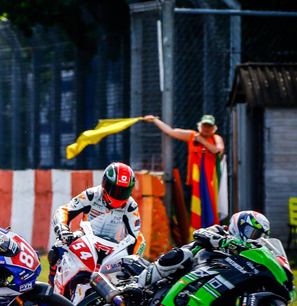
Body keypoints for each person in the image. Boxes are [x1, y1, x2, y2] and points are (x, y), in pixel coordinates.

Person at [49, 162, 144, 284]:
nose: (119, 195)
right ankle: (51, 291)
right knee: (56, 250)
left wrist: (131, 261)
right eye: (115, 189)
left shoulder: (131, 207)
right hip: (85, 238)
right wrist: (62, 228)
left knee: (129, 277)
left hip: (114, 246)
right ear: (105, 183)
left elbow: (135, 237)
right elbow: (65, 210)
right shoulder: (92, 195)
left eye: (123, 191)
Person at [133, 210, 270, 288]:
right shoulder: (221, 230)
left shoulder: (245, 257)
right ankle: (138, 283)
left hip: (210, 281)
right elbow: (199, 233)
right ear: (240, 226)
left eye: (258, 237)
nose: (254, 239)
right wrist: (223, 241)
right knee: (183, 254)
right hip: (188, 268)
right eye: (252, 233)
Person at [143, 113, 225, 227]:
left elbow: (218, 151)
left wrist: (202, 141)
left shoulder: (216, 138)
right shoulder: (192, 135)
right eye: (204, 125)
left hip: (211, 181)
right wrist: (155, 120)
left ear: (214, 128)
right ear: (200, 126)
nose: (206, 129)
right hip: (196, 180)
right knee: (196, 207)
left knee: (210, 207)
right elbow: (171, 131)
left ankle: (213, 228)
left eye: (209, 126)